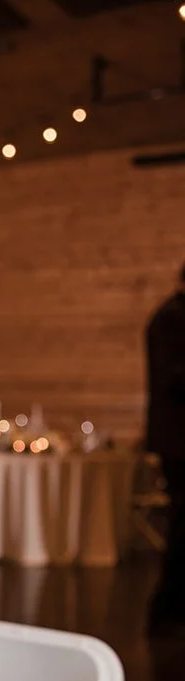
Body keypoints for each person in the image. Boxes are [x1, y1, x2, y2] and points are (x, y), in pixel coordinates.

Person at [146, 263, 185, 635]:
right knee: (181, 524)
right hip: (177, 441)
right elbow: (173, 376)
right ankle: (165, 612)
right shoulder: (169, 318)